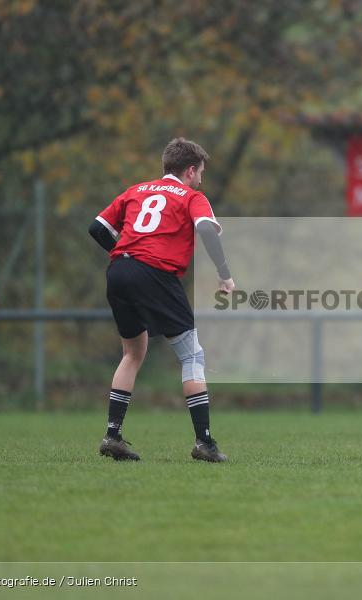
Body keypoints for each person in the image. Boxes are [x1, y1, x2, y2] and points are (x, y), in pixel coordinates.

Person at [89, 137, 235, 463]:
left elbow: (97, 227)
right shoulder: (192, 197)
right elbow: (208, 231)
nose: (200, 180)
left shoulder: (136, 191)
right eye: (200, 173)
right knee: (192, 355)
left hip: (119, 270)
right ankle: (204, 443)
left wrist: (124, 253)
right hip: (154, 274)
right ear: (191, 170)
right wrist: (224, 273)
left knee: (132, 352)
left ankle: (113, 435)